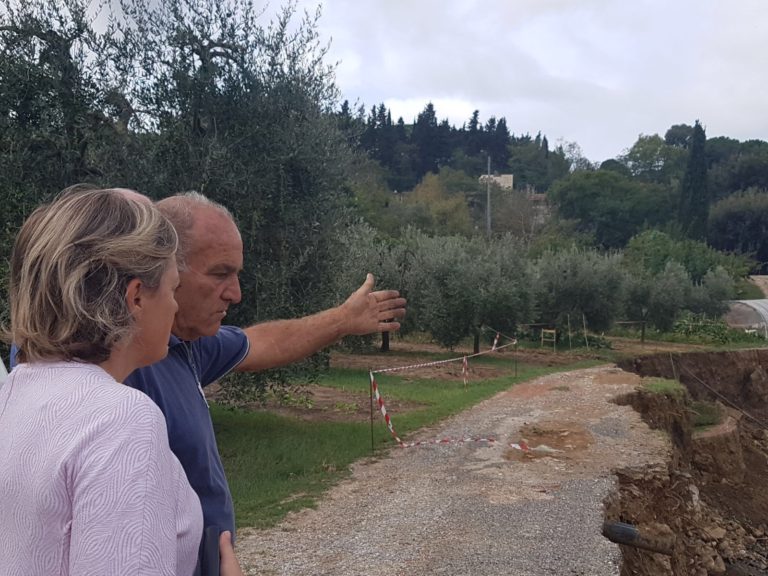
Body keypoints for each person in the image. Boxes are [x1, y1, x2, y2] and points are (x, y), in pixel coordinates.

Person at [125, 191, 407, 539]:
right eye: (220, 274)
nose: (235, 293)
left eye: (236, 274)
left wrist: (343, 320)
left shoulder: (187, 346)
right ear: (163, 269)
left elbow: (265, 342)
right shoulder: (121, 371)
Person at [0, 189, 205, 575]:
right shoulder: (121, 419)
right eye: (173, 288)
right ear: (136, 298)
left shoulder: (12, 393)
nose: (176, 306)